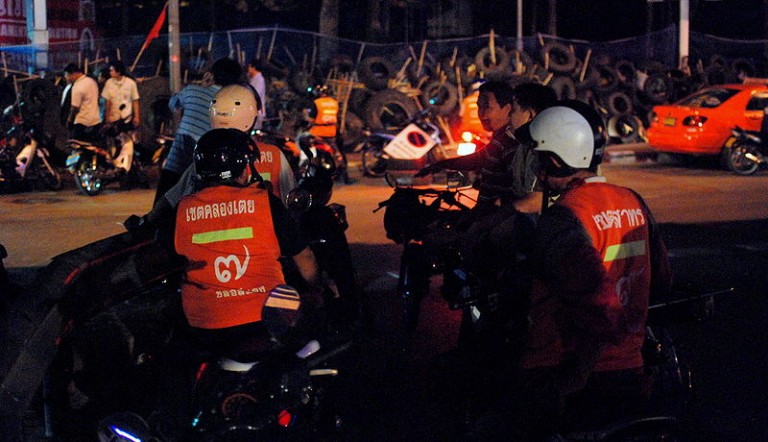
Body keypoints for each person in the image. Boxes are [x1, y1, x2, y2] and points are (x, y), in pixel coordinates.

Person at [496, 101, 673, 439]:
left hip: (565, 373)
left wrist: (573, 379)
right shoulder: (633, 201)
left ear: (556, 159)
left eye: (539, 158)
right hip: (630, 369)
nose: (537, 169)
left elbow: (598, 304)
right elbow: (663, 279)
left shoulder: (563, 218)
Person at [174, 127, 321, 361]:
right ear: (244, 168)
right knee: (314, 334)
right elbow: (305, 259)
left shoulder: (182, 209)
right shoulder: (264, 202)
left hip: (203, 324)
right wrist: (319, 288)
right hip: (264, 320)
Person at [416, 81, 556, 215]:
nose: (481, 114)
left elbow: (530, 198)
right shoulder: (503, 140)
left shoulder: (516, 145)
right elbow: (479, 159)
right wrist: (441, 164)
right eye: (479, 107)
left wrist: (490, 215)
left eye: (487, 107)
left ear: (507, 108)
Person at [154, 57, 243, 202]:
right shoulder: (229, 104)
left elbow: (173, 104)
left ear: (212, 74)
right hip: (204, 169)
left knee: (162, 206)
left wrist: (202, 86)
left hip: (175, 164)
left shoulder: (192, 91)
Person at [100, 60, 141, 171]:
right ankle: (115, 164)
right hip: (113, 118)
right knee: (114, 142)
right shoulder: (109, 83)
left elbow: (135, 100)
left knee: (127, 143)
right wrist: (107, 116)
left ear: (118, 71)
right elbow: (107, 101)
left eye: (112, 70)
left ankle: (128, 166)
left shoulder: (130, 83)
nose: (110, 72)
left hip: (126, 118)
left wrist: (137, 116)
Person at [62, 63, 101, 142]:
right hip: (95, 121)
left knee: (77, 148)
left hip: (81, 123)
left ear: (74, 74)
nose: (66, 78)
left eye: (67, 75)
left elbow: (75, 108)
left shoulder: (77, 86)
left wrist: (69, 121)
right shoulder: (91, 81)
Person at [246, 58, 267, 130]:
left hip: (256, 114)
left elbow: (255, 94)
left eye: (249, 66)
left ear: (253, 67)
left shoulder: (259, 79)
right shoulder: (253, 79)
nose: (248, 69)